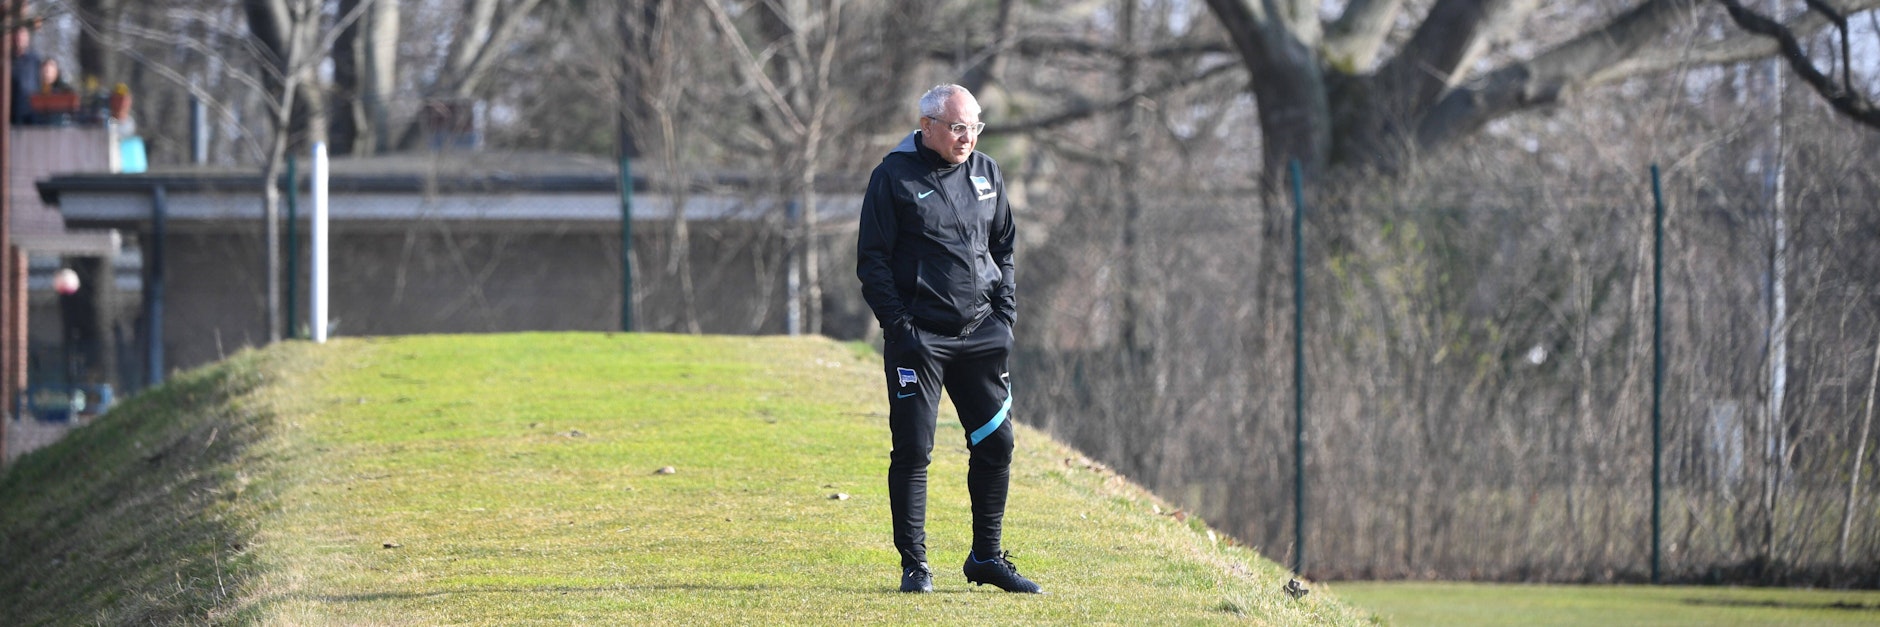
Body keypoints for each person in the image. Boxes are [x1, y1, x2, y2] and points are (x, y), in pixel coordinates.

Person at [856, 84, 1039, 594]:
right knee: (913, 450)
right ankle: (915, 566)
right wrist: (901, 329)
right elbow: (872, 263)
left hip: (982, 336)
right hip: (920, 342)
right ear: (927, 127)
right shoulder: (892, 176)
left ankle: (986, 558)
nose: (967, 137)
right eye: (958, 127)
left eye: (975, 127)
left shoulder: (987, 172)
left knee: (997, 444)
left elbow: (1004, 245)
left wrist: (1005, 315)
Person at [8, 14, 43, 126]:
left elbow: (40, 83)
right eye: (17, 34)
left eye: (22, 34)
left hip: (31, 113)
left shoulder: (34, 60)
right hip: (11, 113)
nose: (19, 38)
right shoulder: (7, 59)